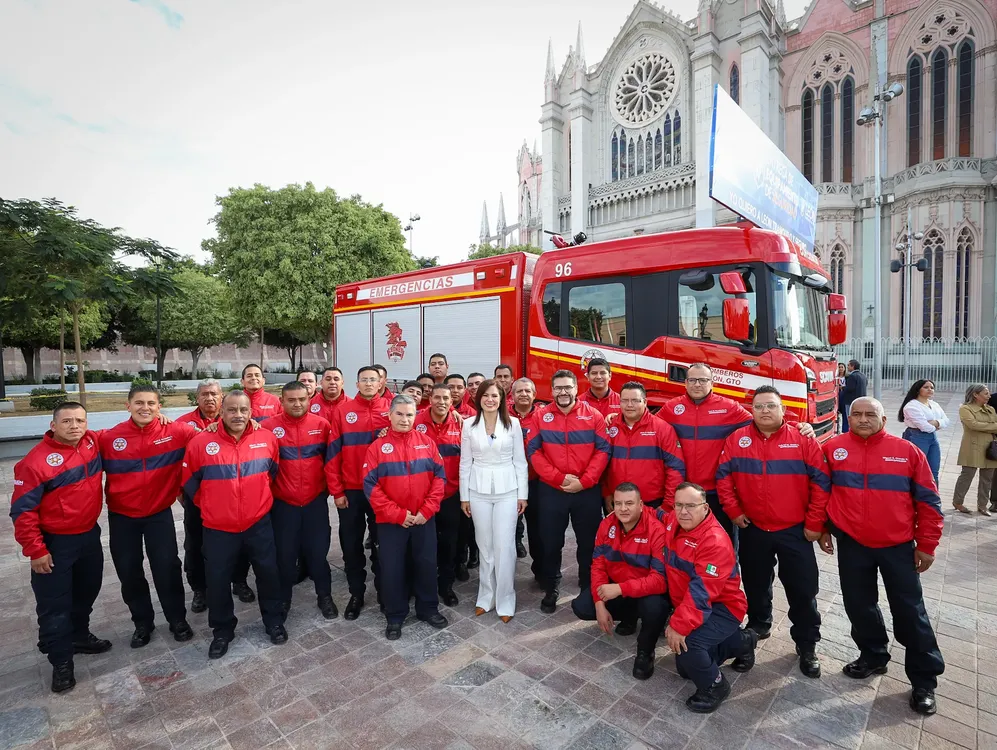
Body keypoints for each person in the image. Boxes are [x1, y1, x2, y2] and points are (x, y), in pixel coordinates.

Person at [820, 396, 944, 716]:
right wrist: (822, 528)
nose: (863, 419)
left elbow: (929, 500)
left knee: (910, 612)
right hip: (853, 544)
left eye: (870, 414)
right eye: (856, 414)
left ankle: (923, 681)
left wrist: (927, 544)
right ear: (848, 418)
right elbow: (819, 492)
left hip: (897, 546)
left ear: (884, 420)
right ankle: (873, 655)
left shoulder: (908, 452)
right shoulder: (833, 449)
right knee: (859, 605)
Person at [716, 385, 829, 678]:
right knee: (755, 584)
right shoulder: (737, 439)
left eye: (771, 406)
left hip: (795, 531)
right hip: (753, 528)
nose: (764, 411)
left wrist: (814, 523)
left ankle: (807, 644)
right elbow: (723, 478)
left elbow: (821, 482)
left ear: (783, 410)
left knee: (803, 589)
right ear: (751, 410)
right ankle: (758, 626)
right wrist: (734, 511)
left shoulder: (802, 439)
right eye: (759, 406)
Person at [11, 402, 112, 693]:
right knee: (55, 604)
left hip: (88, 535)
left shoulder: (91, 442)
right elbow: (23, 511)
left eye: (80, 420)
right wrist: (36, 550)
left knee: (87, 591)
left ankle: (79, 636)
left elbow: (125, 432)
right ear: (53, 425)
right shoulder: (34, 462)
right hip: (55, 543)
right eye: (67, 421)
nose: (75, 426)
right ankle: (61, 662)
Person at [181, 391, 287, 658]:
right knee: (217, 581)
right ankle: (222, 630)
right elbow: (190, 483)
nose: (238, 415)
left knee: (268, 573)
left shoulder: (267, 438)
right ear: (221, 412)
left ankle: (274, 621)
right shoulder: (201, 443)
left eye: (243, 409)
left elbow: (271, 474)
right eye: (231, 409)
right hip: (218, 527)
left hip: (258, 523)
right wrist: (213, 506)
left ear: (251, 412)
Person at [99, 385, 197, 648]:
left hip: (158, 515)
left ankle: (177, 619)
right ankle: (142, 623)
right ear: (128, 406)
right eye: (139, 403)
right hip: (122, 517)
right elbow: (77, 442)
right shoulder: (109, 438)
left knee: (167, 568)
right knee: (129, 572)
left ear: (159, 407)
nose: (145, 408)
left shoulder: (176, 432)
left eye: (151, 403)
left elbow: (211, 434)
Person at [663, 483, 756, 714]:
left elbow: (702, 592)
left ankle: (716, 687)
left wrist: (679, 625)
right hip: (696, 604)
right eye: (678, 505)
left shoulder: (714, 541)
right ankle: (743, 642)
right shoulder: (673, 521)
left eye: (691, 506)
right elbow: (653, 515)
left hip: (723, 607)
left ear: (705, 508)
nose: (683, 511)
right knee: (686, 668)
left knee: (688, 645)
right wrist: (628, 509)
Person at [363, 395, 449, 640]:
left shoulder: (427, 443)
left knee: (426, 564)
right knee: (392, 569)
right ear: (389, 415)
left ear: (415, 417)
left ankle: (428, 608)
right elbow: (370, 486)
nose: (404, 419)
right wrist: (398, 514)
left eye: (409, 414)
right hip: (392, 522)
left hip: (423, 519)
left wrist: (426, 511)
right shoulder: (377, 448)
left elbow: (439, 478)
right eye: (399, 414)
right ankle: (395, 615)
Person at [527, 370, 610, 613]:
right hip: (553, 490)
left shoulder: (593, 415)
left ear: (576, 389)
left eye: (567, 387)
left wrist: (585, 481)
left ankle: (587, 585)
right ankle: (551, 586)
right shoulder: (540, 416)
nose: (563, 392)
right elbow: (534, 452)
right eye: (558, 388)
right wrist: (559, 478)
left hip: (586, 491)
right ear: (552, 391)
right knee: (551, 542)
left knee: (588, 543)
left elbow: (603, 450)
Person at [571, 483, 669, 680]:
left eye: (629, 503)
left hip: (644, 590)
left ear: (641, 505)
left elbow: (660, 580)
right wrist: (599, 604)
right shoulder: (606, 525)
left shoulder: (656, 530)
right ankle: (630, 616)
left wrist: (620, 589)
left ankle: (646, 651)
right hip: (620, 587)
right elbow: (598, 566)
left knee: (656, 608)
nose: (623, 509)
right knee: (583, 607)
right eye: (618, 503)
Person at [180, 378, 252, 612]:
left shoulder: (237, 420)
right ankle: (200, 590)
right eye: (204, 394)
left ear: (222, 398)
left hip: (233, 498)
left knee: (239, 542)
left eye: (214, 394)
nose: (209, 398)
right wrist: (183, 493)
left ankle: (239, 581)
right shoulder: (183, 425)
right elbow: (178, 462)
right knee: (195, 544)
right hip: (197, 498)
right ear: (197, 398)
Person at [459, 380, 529, 622]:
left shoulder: (513, 424)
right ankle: (486, 597)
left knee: (504, 546)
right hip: (477, 491)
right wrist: (464, 496)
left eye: (495, 396)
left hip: (507, 491)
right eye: (486, 395)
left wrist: (522, 494)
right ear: (478, 398)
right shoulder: (468, 424)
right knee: (485, 545)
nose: (490, 400)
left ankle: (505, 599)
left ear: (502, 400)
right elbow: (465, 463)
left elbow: (520, 461)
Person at [266, 382, 337, 619]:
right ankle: (283, 600)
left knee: (318, 555)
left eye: (302, 399)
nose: (297, 404)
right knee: (285, 557)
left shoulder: (322, 425)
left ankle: (325, 597)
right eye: (291, 400)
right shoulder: (267, 428)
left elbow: (331, 462)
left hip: (314, 503)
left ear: (309, 399)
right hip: (283, 506)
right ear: (282, 401)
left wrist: (326, 491)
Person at [326, 366, 390, 620]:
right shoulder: (343, 411)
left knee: (382, 545)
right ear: (357, 384)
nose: (368, 383)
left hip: (381, 492)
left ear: (380, 383)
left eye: (373, 380)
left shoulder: (391, 409)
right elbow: (333, 454)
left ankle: (384, 592)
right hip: (351, 491)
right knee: (351, 545)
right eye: (364, 380)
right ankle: (356, 594)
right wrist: (336, 490)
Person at [602, 382, 684, 513]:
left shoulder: (662, 429)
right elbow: (603, 464)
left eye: (635, 400)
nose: (629, 405)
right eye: (625, 400)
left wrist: (668, 504)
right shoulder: (610, 426)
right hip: (617, 501)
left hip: (652, 504)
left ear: (645, 402)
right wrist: (606, 493)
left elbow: (675, 468)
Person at [415, 384, 463, 607]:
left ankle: (446, 586)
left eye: (446, 398)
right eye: (437, 397)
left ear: (451, 402)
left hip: (450, 495)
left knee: (449, 544)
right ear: (430, 399)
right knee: (423, 546)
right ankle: (422, 585)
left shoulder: (461, 424)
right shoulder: (415, 421)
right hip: (422, 497)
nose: (441, 402)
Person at [456, 371, 487, 575]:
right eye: (471, 384)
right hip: (456, 479)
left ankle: (475, 553)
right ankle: (460, 559)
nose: (475, 387)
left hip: (479, 477)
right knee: (460, 526)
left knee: (475, 524)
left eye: (479, 384)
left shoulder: (473, 413)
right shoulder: (455, 413)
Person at [952, 384, 997, 515]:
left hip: (990, 447)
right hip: (972, 446)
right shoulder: (965, 409)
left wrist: (986, 426)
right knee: (967, 475)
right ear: (975, 394)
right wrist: (992, 426)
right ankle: (958, 502)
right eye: (986, 393)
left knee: (987, 478)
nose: (989, 396)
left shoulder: (990, 409)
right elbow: (973, 425)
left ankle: (982, 505)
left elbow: (982, 425)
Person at [510, 377, 539, 562]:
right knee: (510, 523)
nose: (523, 394)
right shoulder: (502, 415)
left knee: (538, 526)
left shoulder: (543, 416)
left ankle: (540, 568)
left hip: (536, 480)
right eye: (519, 391)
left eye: (527, 391)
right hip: (510, 481)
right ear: (512, 395)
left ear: (534, 394)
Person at [899, 379, 949, 487]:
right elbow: (925, 427)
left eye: (932, 387)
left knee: (933, 470)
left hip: (932, 438)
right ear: (918, 390)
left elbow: (946, 421)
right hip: (916, 437)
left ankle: (933, 495)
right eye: (926, 387)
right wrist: (937, 424)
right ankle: (914, 494)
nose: (930, 389)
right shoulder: (911, 406)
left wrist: (935, 423)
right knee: (917, 470)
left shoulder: (934, 404)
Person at [839, 360, 867, 426]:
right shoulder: (863, 375)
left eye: (848, 365)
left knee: (850, 418)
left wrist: (842, 388)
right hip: (861, 400)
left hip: (851, 401)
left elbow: (850, 388)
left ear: (853, 366)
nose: (847, 367)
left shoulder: (852, 376)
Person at [836, 363, 847, 433]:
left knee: (844, 412)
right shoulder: (836, 377)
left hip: (843, 395)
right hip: (837, 394)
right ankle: (837, 429)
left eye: (842, 367)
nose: (840, 369)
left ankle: (844, 429)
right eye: (839, 367)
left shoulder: (847, 377)